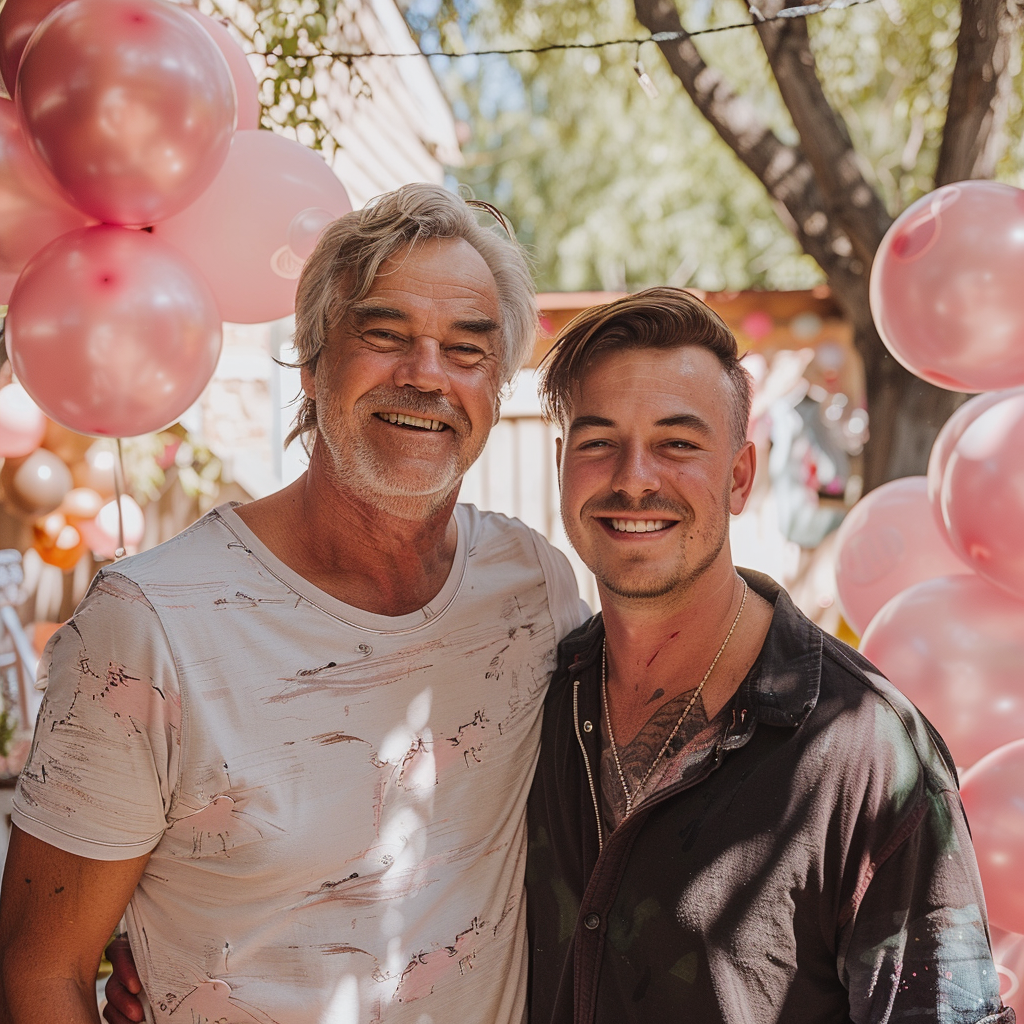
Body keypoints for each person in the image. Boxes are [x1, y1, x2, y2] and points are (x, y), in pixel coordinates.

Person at [0, 184, 586, 1024]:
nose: (426, 375)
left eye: (468, 350)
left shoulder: (531, 586)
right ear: (312, 362)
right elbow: (39, 972)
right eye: (385, 336)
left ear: (497, 388)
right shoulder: (150, 626)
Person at [525, 288, 1013, 1024]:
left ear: (742, 476)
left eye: (678, 443)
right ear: (563, 466)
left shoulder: (865, 754)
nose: (633, 477)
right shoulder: (534, 698)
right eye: (598, 442)